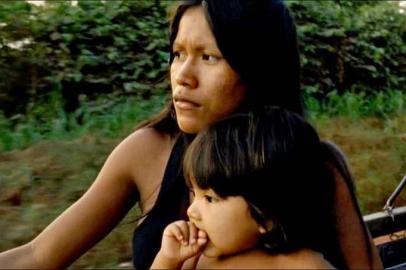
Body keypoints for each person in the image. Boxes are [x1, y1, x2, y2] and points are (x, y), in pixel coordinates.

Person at [0, 0, 381, 269]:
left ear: (258, 67)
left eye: (208, 57)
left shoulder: (315, 164)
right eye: (178, 53)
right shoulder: (147, 151)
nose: (182, 75)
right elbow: (37, 256)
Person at [152, 108, 340, 269]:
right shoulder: (194, 259)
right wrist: (166, 261)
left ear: (266, 217)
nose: (191, 211)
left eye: (210, 198)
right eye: (194, 193)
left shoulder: (303, 265)